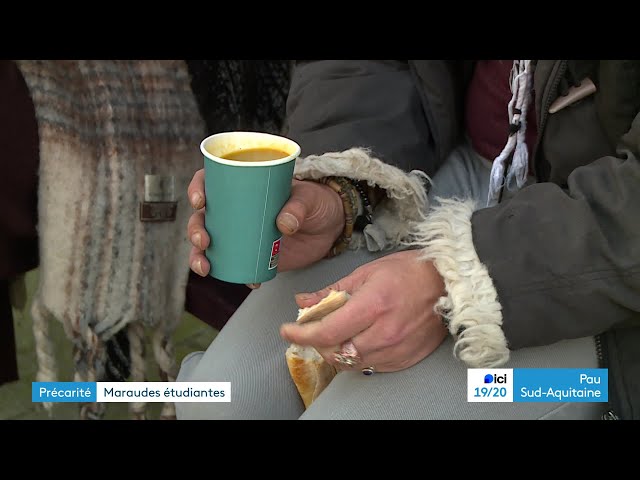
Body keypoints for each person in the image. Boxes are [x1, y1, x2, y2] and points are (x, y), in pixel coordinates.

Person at [178, 60, 640, 420]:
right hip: (453, 172)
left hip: (604, 266)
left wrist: (456, 279)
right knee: (221, 400)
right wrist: (347, 191)